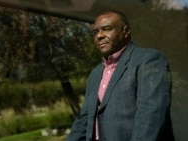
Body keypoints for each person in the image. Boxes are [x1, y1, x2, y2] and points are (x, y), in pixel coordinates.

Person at [66, 10, 175, 141]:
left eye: (107, 29)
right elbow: (85, 118)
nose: (99, 36)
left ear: (126, 31)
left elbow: (150, 118)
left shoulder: (149, 60)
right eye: (95, 32)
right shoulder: (95, 73)